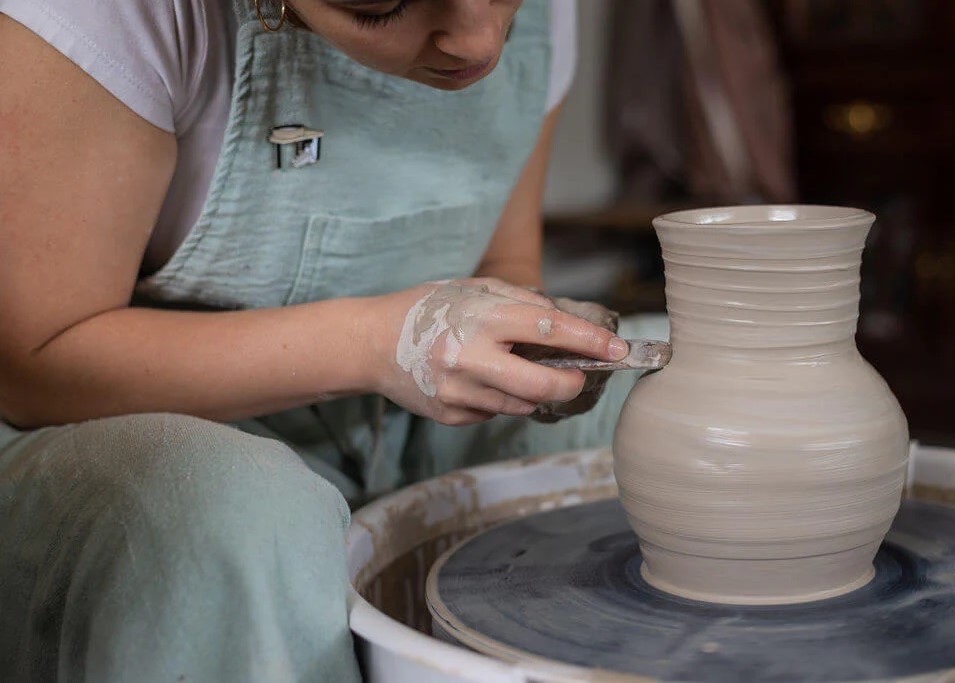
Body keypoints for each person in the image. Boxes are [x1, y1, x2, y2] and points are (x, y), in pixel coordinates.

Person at [0, 0, 666, 680]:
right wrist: (378, 345)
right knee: (242, 516)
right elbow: (36, 366)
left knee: (704, 379)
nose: (479, 42)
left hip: (406, 414)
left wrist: (529, 341)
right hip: (134, 428)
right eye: (381, 9)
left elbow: (502, 267)